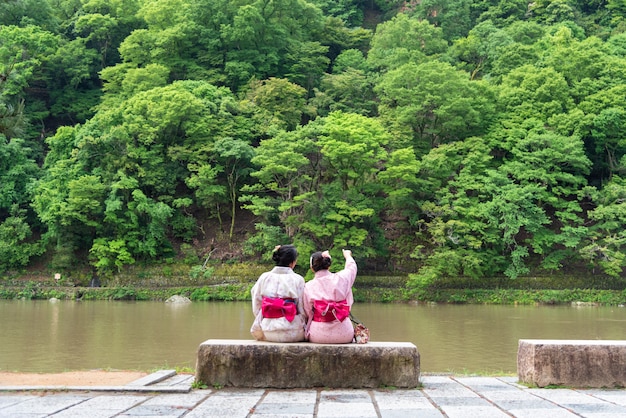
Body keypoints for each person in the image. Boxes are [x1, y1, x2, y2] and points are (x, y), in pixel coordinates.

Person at [250, 244, 307, 342]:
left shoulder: (264, 277)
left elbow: (256, 303)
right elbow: (303, 308)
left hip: (268, 330)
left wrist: (265, 318)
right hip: (293, 331)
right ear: (292, 262)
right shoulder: (298, 279)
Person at [303, 249, 357, 344]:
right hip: (344, 333)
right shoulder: (341, 279)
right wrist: (348, 256)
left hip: (318, 335)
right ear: (329, 266)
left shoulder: (308, 286)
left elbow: (308, 312)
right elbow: (352, 268)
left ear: (312, 268)